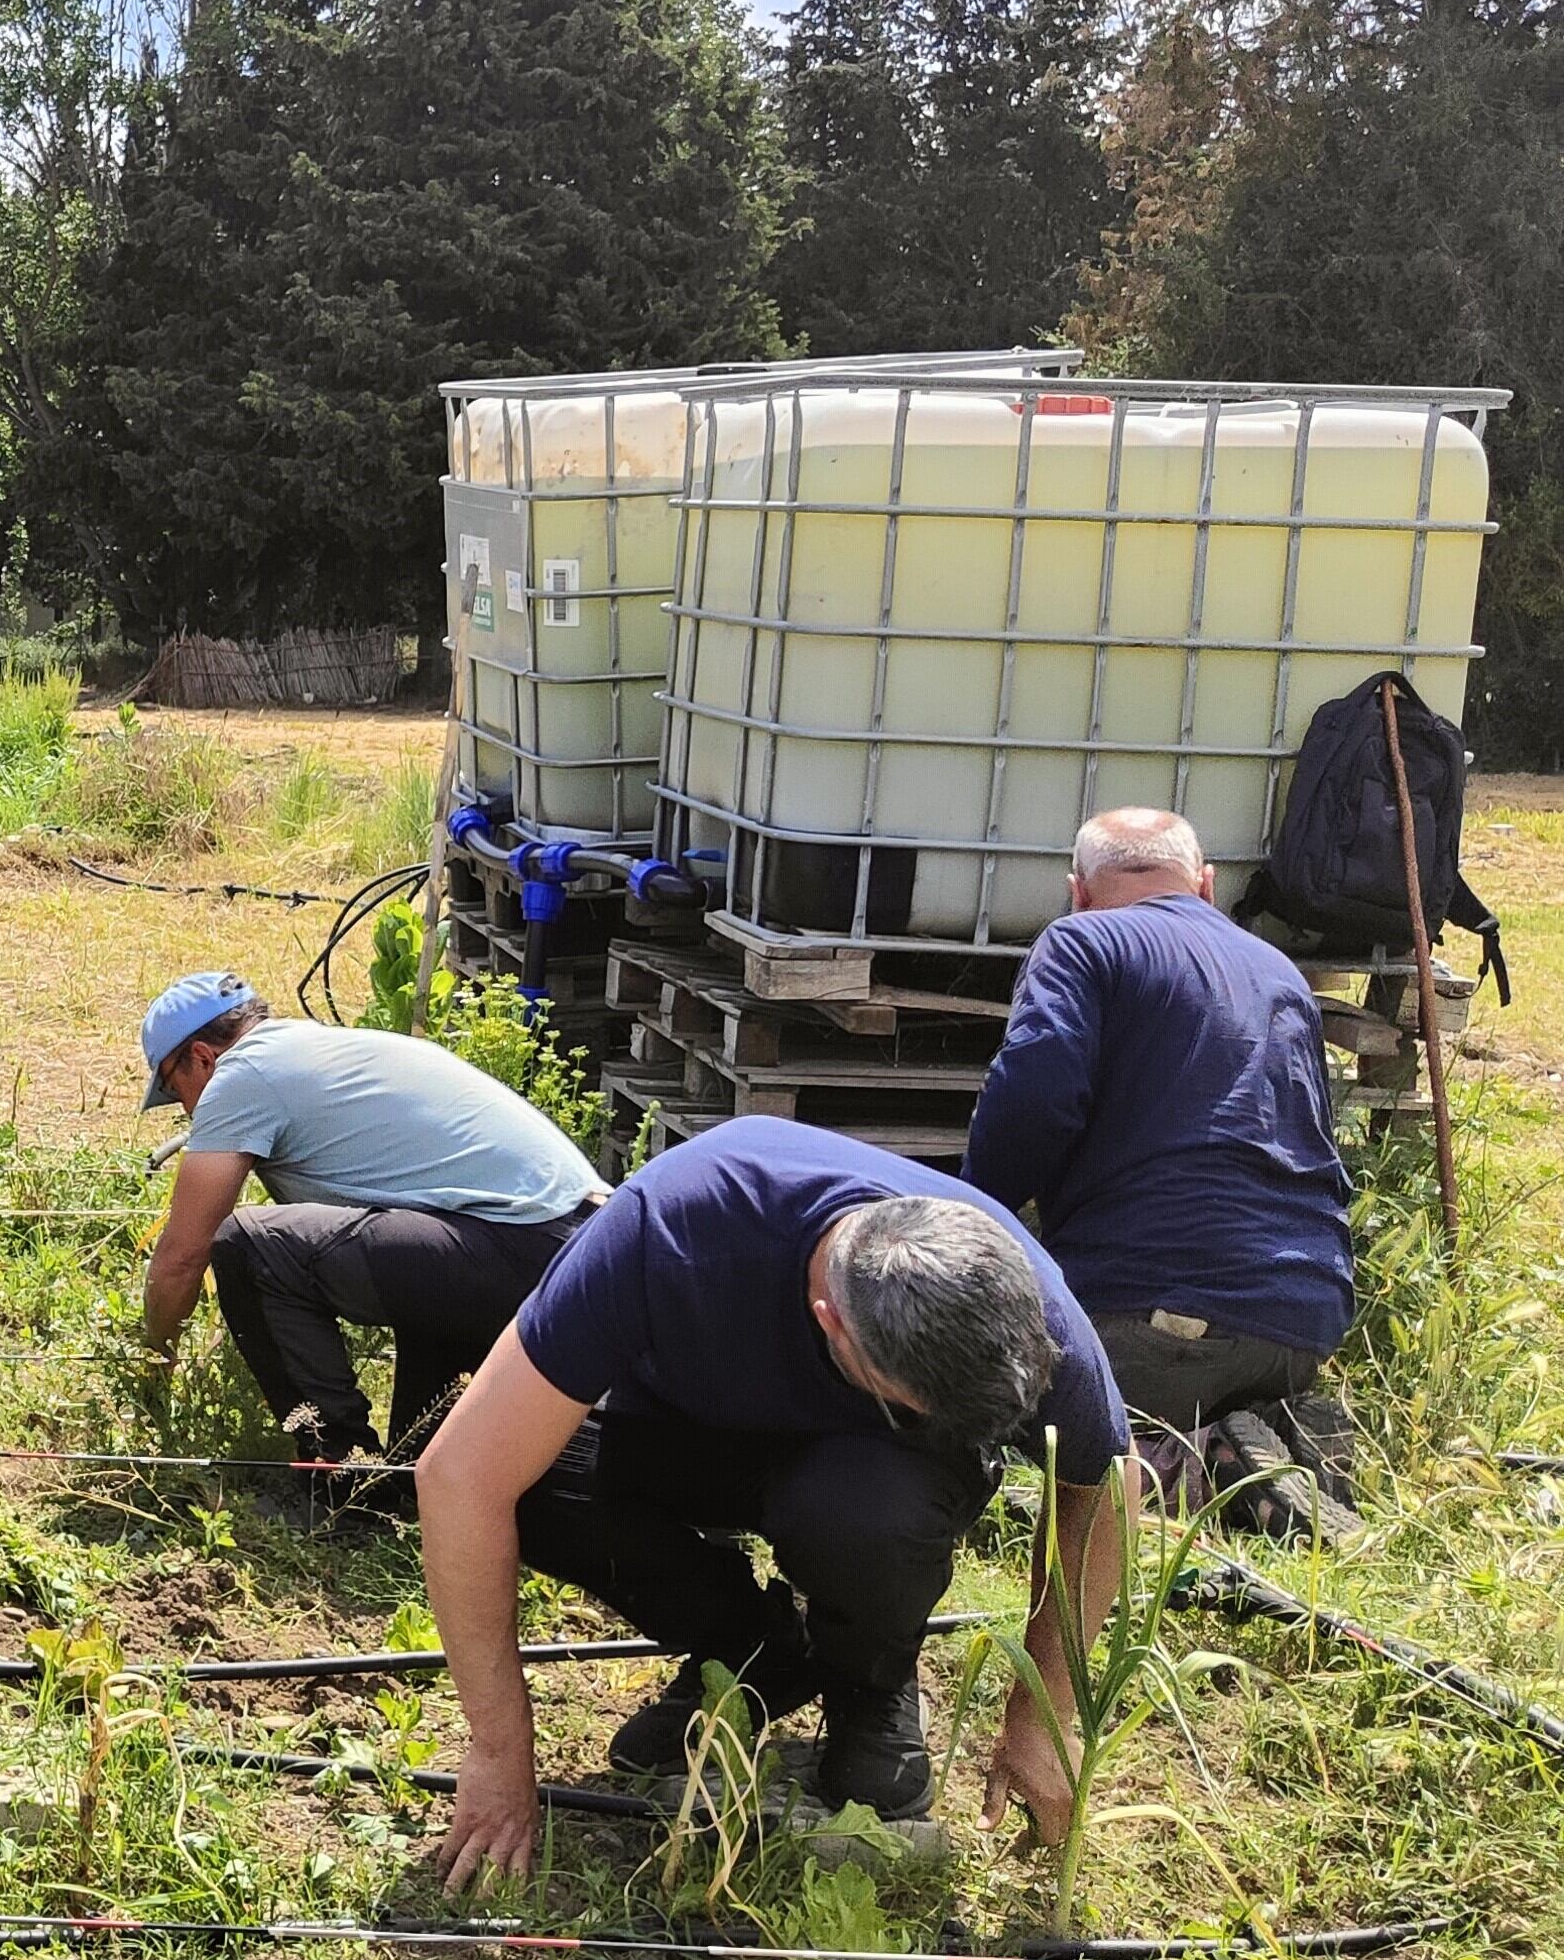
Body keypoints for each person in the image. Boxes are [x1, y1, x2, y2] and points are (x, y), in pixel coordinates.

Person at [412, 1119, 1134, 1882]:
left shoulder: (1023, 1308)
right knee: (537, 1486)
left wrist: (1043, 1710)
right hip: (685, 1427)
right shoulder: (674, 1231)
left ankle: (869, 1681)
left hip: (868, 1474)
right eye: (911, 1402)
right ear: (832, 1324)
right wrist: (499, 1745)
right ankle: (755, 1650)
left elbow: (1105, 1487)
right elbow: (461, 1475)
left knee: (863, 1515)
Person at [967, 806, 1360, 1532]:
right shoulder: (1279, 972)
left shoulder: (1083, 941)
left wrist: (970, 1226)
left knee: (982, 1400)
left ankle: (1201, 1467)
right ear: (1204, 886)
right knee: (1189, 1370)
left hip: (1150, 1318)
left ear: (1077, 890)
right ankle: (1271, 1427)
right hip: (1304, 1321)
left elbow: (1035, 1094)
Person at [131, 972, 605, 1483]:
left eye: (175, 1088)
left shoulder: (243, 1075)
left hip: (517, 1244)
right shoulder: (323, 1049)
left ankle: (341, 1475)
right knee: (423, 1466)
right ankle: (409, 1483)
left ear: (201, 1057)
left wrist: (153, 1365)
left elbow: (183, 1256)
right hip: (574, 1247)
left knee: (251, 1246)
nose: (185, 1109)